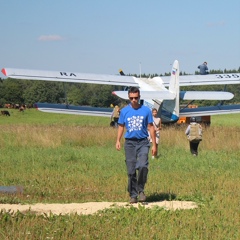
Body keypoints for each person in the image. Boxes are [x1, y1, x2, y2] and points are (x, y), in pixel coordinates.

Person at [116, 87, 157, 204]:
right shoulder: (124, 111)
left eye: (136, 98)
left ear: (139, 97)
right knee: (131, 170)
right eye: (131, 98)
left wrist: (154, 145)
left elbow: (151, 127)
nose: (134, 100)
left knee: (143, 165)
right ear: (129, 98)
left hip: (143, 141)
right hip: (130, 143)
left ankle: (141, 190)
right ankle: (133, 195)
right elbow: (121, 126)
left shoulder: (146, 110)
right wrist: (118, 140)